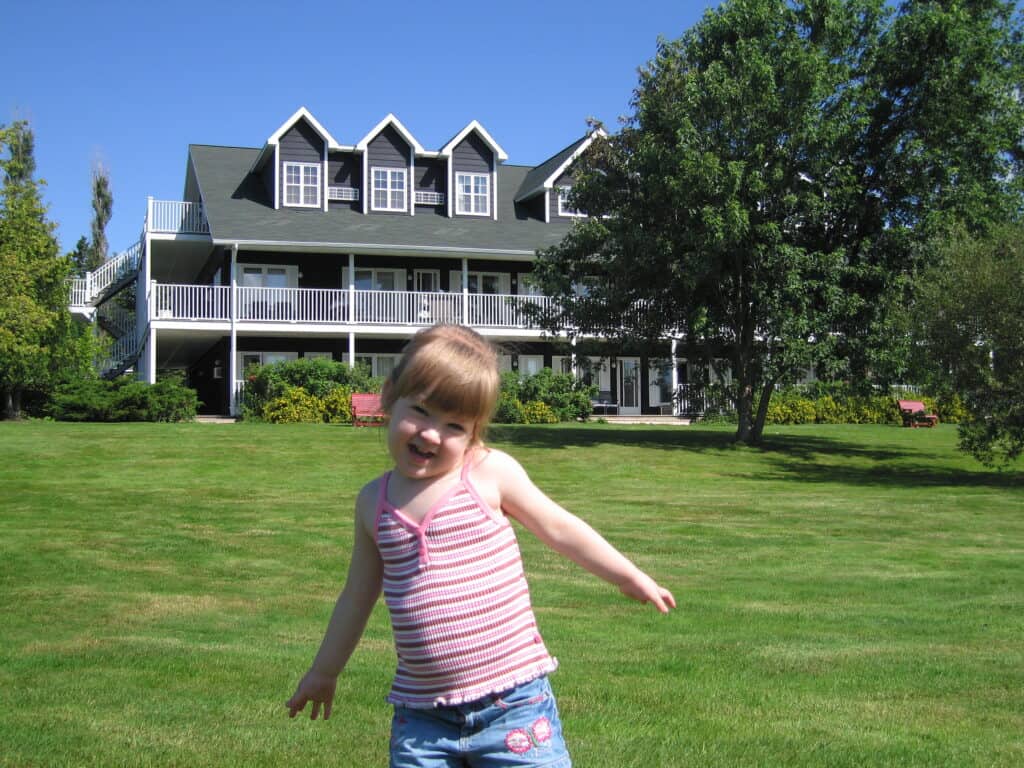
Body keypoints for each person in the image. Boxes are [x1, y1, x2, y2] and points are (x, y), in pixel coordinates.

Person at [286, 324, 675, 767]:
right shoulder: (373, 504)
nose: (431, 434)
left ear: (474, 432)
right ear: (391, 395)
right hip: (423, 718)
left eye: (454, 425)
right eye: (421, 411)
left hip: (513, 706)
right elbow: (356, 597)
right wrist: (324, 671)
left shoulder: (488, 474)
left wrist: (628, 575)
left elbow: (560, 528)